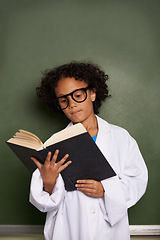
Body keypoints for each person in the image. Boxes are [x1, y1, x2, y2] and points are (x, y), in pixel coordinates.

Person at [29, 61, 148, 240]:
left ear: (92, 93)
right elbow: (46, 202)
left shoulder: (120, 137)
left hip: (108, 230)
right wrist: (48, 182)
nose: (71, 104)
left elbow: (137, 181)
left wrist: (105, 190)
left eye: (77, 95)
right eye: (63, 100)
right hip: (68, 227)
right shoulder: (54, 143)